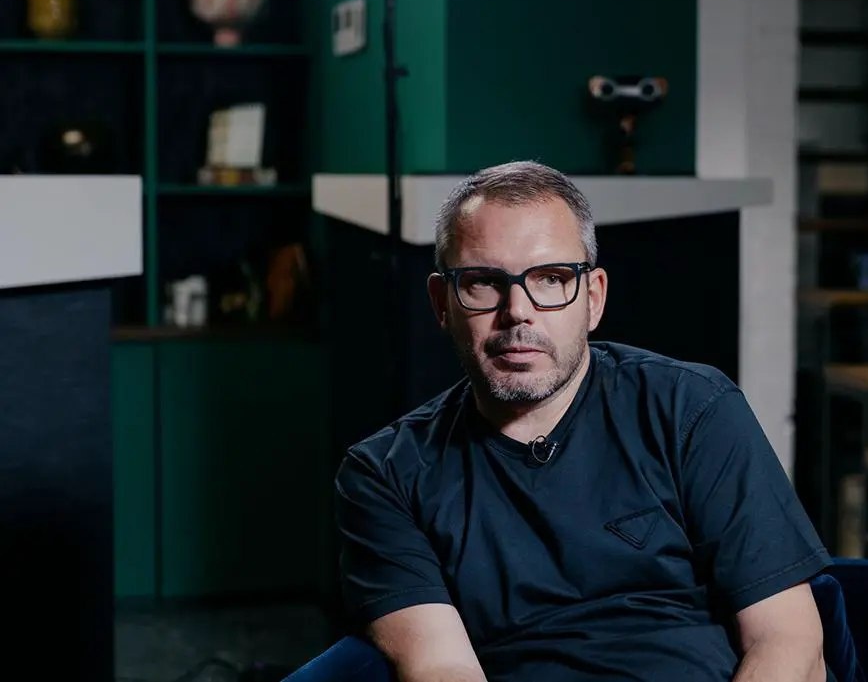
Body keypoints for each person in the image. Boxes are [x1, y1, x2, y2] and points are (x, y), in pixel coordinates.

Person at [335, 160, 831, 682]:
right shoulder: (386, 475)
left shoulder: (692, 409)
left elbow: (789, 642)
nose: (518, 311)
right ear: (442, 303)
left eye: (550, 279)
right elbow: (441, 668)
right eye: (484, 282)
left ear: (593, 298)